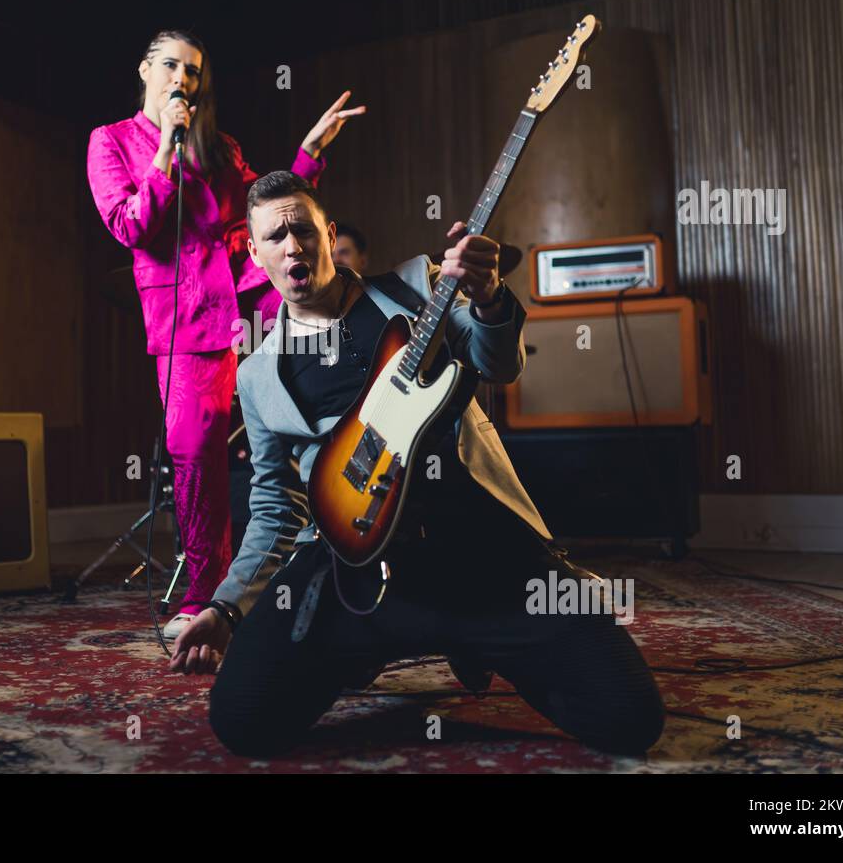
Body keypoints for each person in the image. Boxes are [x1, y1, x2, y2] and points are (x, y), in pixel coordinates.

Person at [170, 171, 665, 758]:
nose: (292, 245)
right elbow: (275, 508)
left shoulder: (415, 289)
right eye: (275, 237)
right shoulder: (257, 375)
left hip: (479, 553)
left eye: (303, 229)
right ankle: (366, 649)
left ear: (328, 234)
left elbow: (499, 364)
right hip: (349, 571)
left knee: (629, 718)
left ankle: (474, 643)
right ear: (255, 255)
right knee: (241, 720)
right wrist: (225, 608)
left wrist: (488, 295)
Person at [86, 30, 365, 639]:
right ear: (144, 70)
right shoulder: (110, 141)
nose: (182, 79)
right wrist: (165, 151)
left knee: (334, 355)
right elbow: (131, 227)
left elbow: (264, 212)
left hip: (251, 292)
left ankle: (350, 540)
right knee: (194, 451)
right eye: (170, 65)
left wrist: (308, 153)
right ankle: (205, 595)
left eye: (193, 71)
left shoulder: (219, 146)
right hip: (186, 317)